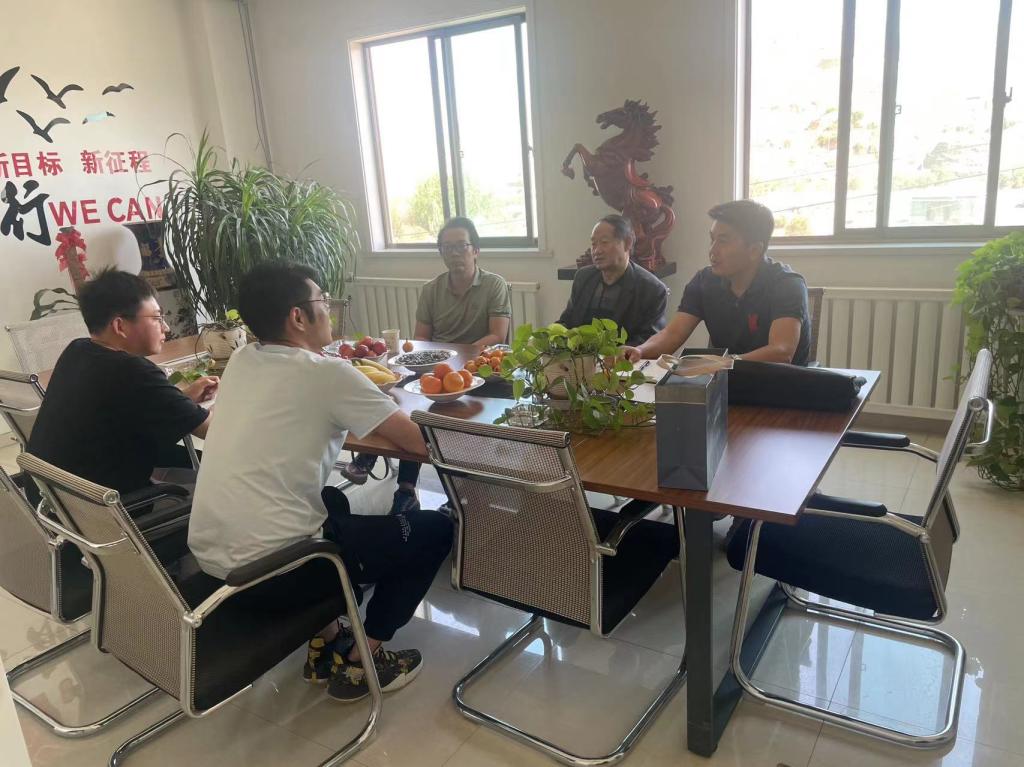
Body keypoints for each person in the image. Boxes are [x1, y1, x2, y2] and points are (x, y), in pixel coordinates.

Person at [187, 262, 452, 703]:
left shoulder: (242, 359)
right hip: (276, 575)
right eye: (322, 301)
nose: (329, 308)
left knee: (331, 499)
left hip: (213, 567)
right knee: (435, 529)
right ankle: (361, 663)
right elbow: (419, 444)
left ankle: (326, 643)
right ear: (298, 316)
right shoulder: (327, 374)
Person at [342, 217, 511, 512]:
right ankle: (401, 485)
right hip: (437, 366)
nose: (454, 253)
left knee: (445, 416)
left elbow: (497, 335)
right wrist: (434, 362)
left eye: (461, 246)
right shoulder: (432, 289)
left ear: (475, 250)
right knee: (402, 400)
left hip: (475, 369)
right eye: (447, 247)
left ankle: (457, 494)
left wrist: (458, 360)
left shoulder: (493, 285)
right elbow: (421, 339)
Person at [28, 268, 217, 504]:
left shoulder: (78, 350)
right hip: (107, 511)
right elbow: (215, 432)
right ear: (120, 326)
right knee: (221, 465)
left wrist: (182, 399)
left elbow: (128, 406)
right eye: (157, 318)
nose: (166, 327)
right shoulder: (133, 371)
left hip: (53, 502)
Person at [622, 200, 810, 365]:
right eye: (712, 240)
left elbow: (781, 352)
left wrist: (723, 364)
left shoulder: (787, 285)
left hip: (782, 387)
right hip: (726, 385)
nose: (712, 250)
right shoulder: (704, 282)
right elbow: (672, 334)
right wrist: (640, 350)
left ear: (754, 250)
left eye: (723, 241)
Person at [558, 214, 668, 345]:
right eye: (593, 244)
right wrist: (549, 336)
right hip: (580, 355)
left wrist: (612, 354)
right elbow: (567, 322)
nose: (596, 251)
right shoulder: (583, 277)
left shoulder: (652, 289)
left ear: (627, 243)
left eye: (604, 242)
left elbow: (649, 341)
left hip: (622, 356)